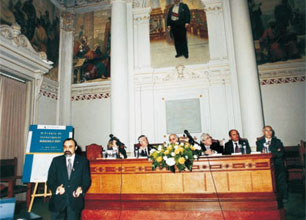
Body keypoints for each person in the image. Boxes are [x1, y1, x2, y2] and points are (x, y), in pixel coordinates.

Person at [47, 138, 91, 220]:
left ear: (76, 148)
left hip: (75, 200)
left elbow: (86, 180)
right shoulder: (56, 161)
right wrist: (57, 189)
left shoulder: (83, 161)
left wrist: (81, 189)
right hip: (58, 200)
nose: (67, 149)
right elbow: (50, 180)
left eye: (70, 146)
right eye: (65, 147)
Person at [256, 125, 288, 204]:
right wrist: (275, 150)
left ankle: (284, 196)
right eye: (267, 130)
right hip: (265, 164)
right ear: (263, 132)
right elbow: (260, 153)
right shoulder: (259, 142)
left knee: (281, 175)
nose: (269, 132)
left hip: (277, 163)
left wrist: (269, 149)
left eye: (270, 130)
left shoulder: (277, 141)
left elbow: (281, 154)